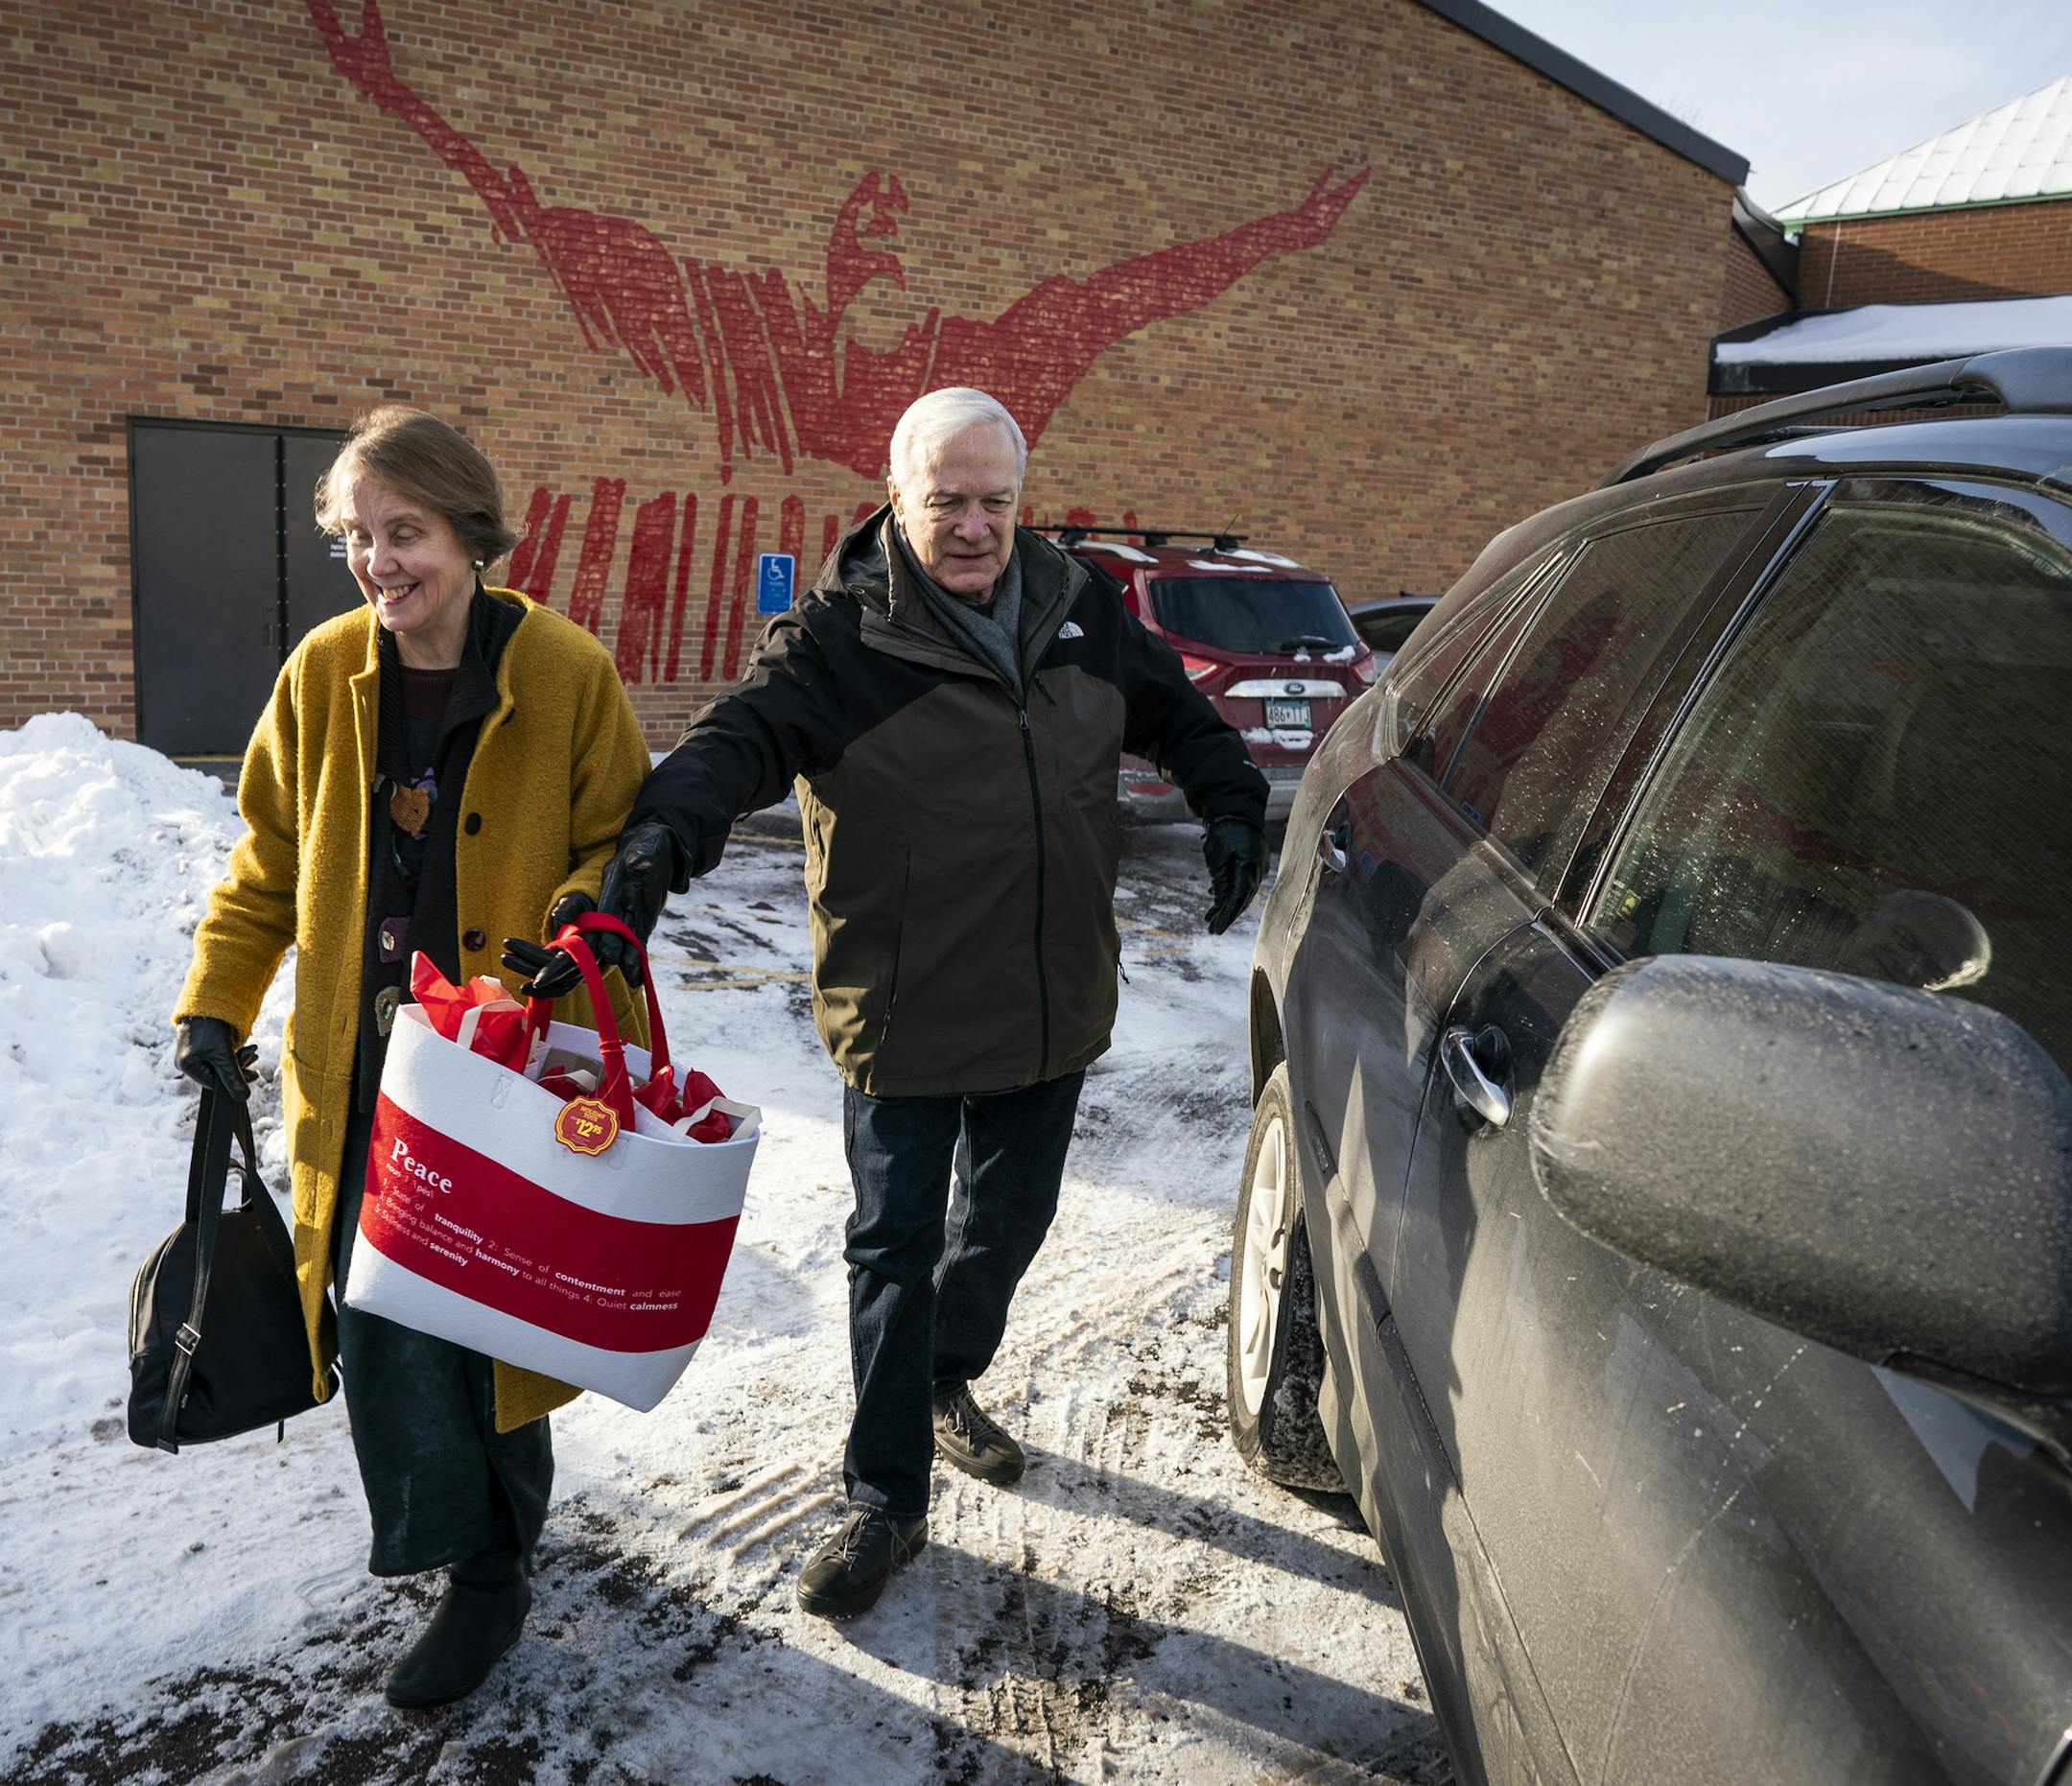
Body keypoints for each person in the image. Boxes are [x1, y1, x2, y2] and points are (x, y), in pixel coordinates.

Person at [589, 387, 1269, 1619]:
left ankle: (944, 1376)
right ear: (896, 497)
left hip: (1051, 996)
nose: (973, 526)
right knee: (893, 1249)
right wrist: (657, 841)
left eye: (995, 501)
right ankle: (883, 1493)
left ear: (1022, 499)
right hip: (902, 1001)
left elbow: (1173, 709)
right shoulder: (840, 641)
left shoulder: (1078, 604)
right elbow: (734, 744)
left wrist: (1228, 798)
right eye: (946, 500)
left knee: (1008, 1222)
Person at [172, 406, 651, 1709]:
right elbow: (268, 861)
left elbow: (617, 841)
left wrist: (577, 929)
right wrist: (214, 1005)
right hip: (361, 1065)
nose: (380, 564)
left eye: (408, 533)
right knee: (381, 1311)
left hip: (503, 1065)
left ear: (472, 536)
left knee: (490, 1314)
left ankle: (493, 1561)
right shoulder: (323, 671)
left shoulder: (565, 672)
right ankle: (465, 1550)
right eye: (359, 537)